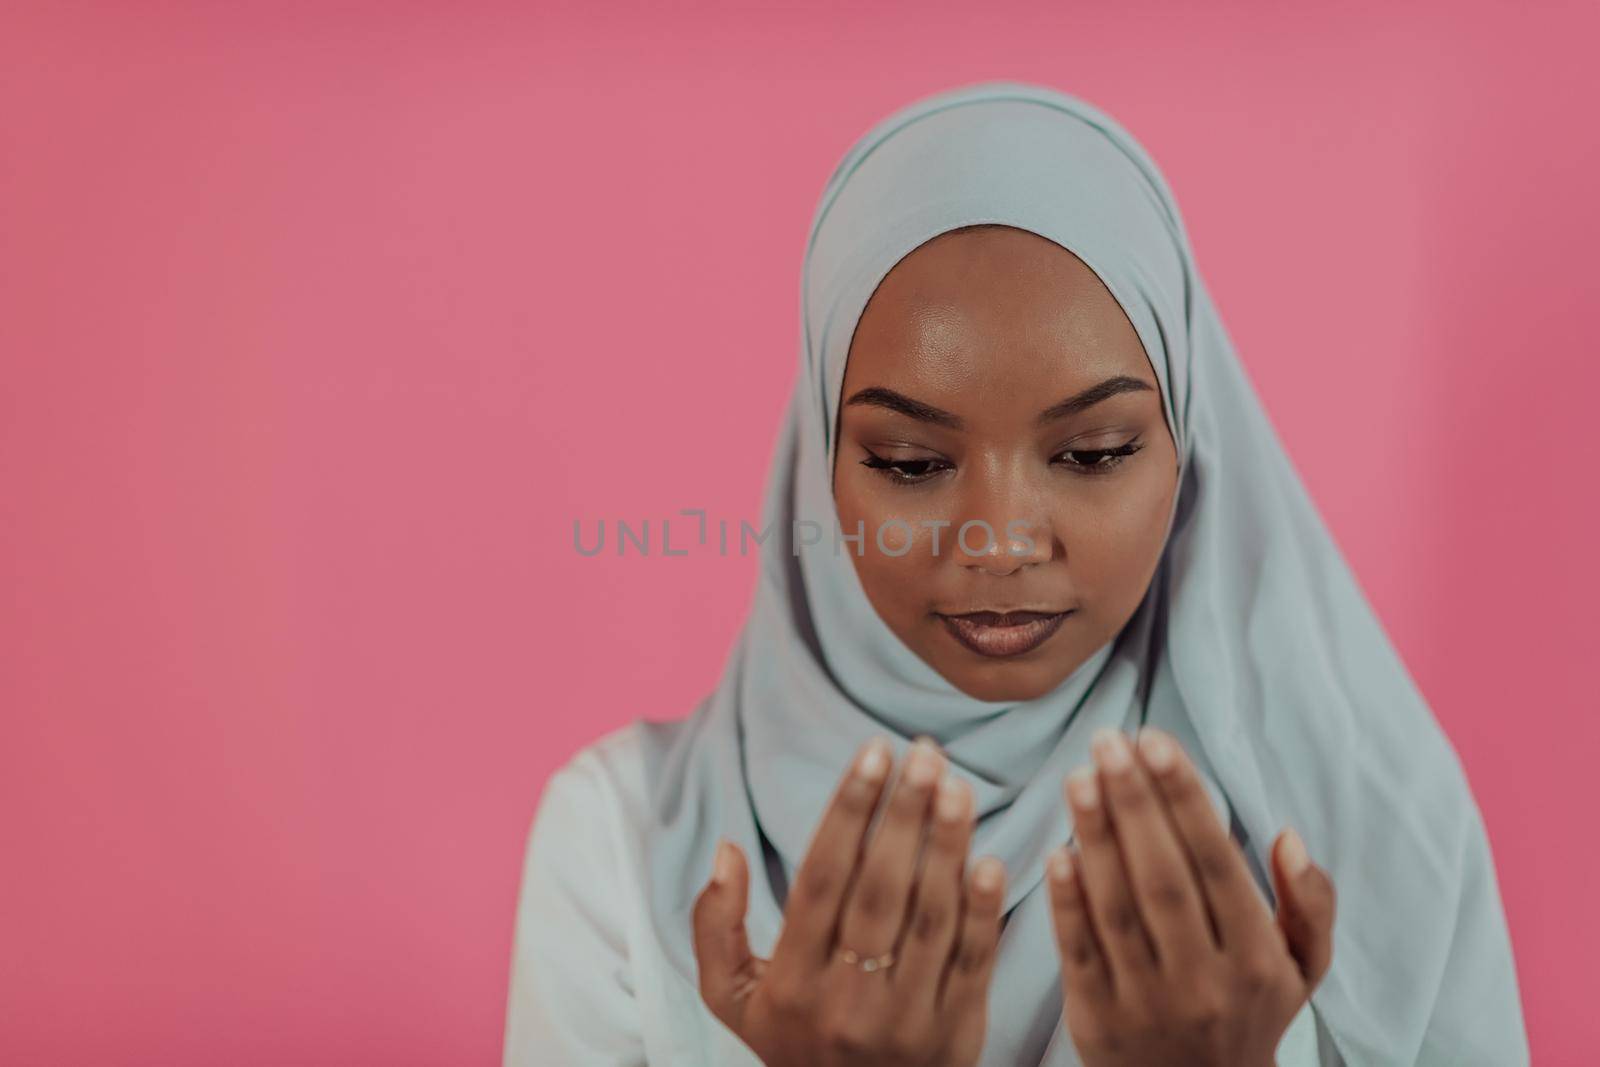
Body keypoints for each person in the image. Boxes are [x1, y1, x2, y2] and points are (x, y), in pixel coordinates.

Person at [503, 81, 1528, 1066]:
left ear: (1188, 449)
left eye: (1091, 454)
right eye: (910, 462)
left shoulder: (1355, 829)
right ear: (817, 469)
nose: (999, 540)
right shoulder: (622, 847)